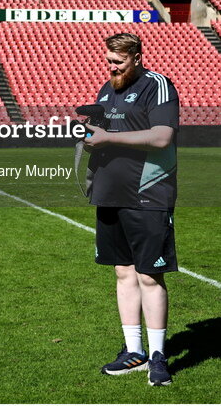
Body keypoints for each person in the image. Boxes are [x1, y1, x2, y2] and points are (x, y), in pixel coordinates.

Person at [83, 31, 179, 387]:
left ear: (137, 56)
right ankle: (134, 351)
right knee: (123, 274)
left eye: (118, 62)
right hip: (110, 193)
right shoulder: (106, 90)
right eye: (108, 61)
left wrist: (108, 137)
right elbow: (105, 134)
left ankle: (157, 356)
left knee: (149, 276)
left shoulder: (159, 85)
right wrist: (92, 135)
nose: (111, 67)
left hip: (148, 193)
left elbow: (160, 136)